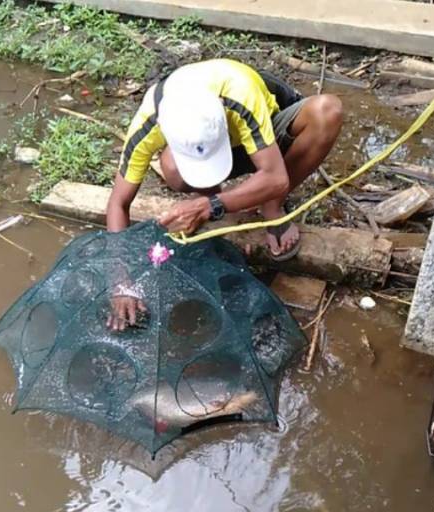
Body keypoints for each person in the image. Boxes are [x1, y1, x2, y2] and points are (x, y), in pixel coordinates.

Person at [106, 58, 342, 329]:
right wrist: (122, 283)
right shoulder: (148, 122)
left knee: (327, 111)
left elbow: (276, 178)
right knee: (170, 166)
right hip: (230, 145)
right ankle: (221, 194)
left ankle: (271, 208)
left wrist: (211, 207)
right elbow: (118, 202)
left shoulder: (240, 94)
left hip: (267, 140)